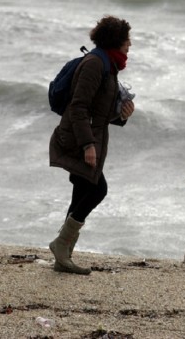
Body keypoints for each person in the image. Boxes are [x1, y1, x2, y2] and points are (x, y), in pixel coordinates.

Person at [48, 15, 135, 275]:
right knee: (97, 190)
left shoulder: (108, 65)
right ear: (116, 41)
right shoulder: (95, 64)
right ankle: (60, 246)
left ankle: (63, 255)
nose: (130, 44)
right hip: (77, 138)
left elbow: (99, 111)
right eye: (127, 40)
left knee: (82, 191)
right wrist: (87, 145)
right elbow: (78, 107)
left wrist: (121, 115)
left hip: (87, 137)